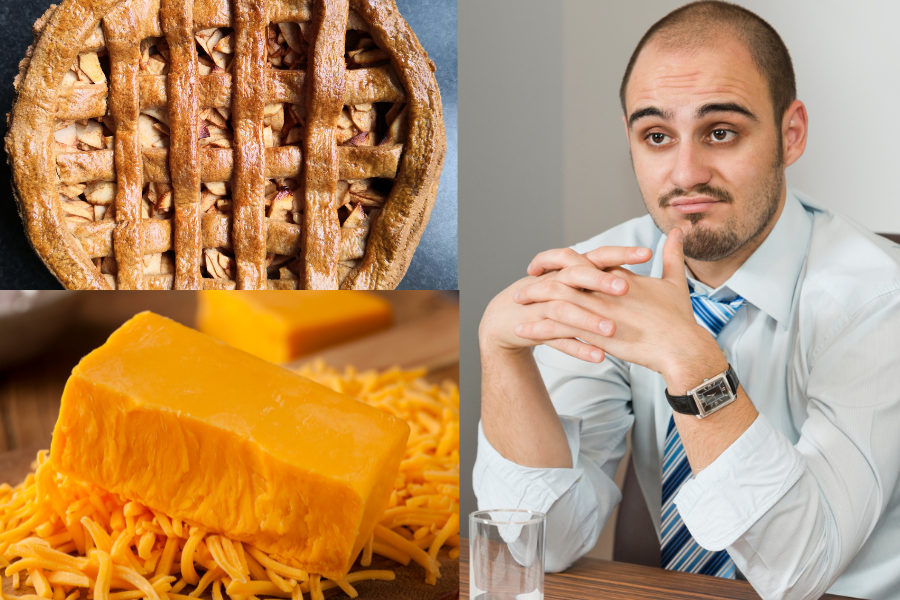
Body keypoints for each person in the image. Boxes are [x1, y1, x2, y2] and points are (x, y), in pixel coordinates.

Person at [473, 2, 900, 600]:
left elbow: (801, 569)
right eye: (656, 136)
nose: (685, 172)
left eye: (721, 131)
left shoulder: (878, 299)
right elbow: (543, 540)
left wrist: (690, 357)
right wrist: (502, 354)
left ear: (791, 132)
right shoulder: (606, 272)